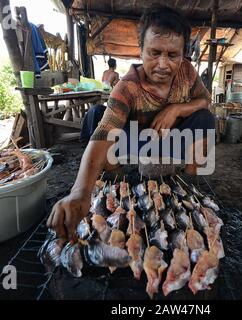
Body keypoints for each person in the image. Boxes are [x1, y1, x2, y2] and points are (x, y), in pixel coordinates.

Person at [49, 6, 215, 241]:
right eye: (154, 53)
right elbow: (106, 130)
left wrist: (176, 108)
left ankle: (190, 184)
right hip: (136, 146)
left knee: (205, 118)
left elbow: (205, 101)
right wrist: (80, 192)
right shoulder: (127, 86)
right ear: (141, 50)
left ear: (183, 54)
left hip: (170, 142)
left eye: (172, 55)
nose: (163, 64)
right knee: (98, 115)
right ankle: (115, 180)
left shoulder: (187, 72)